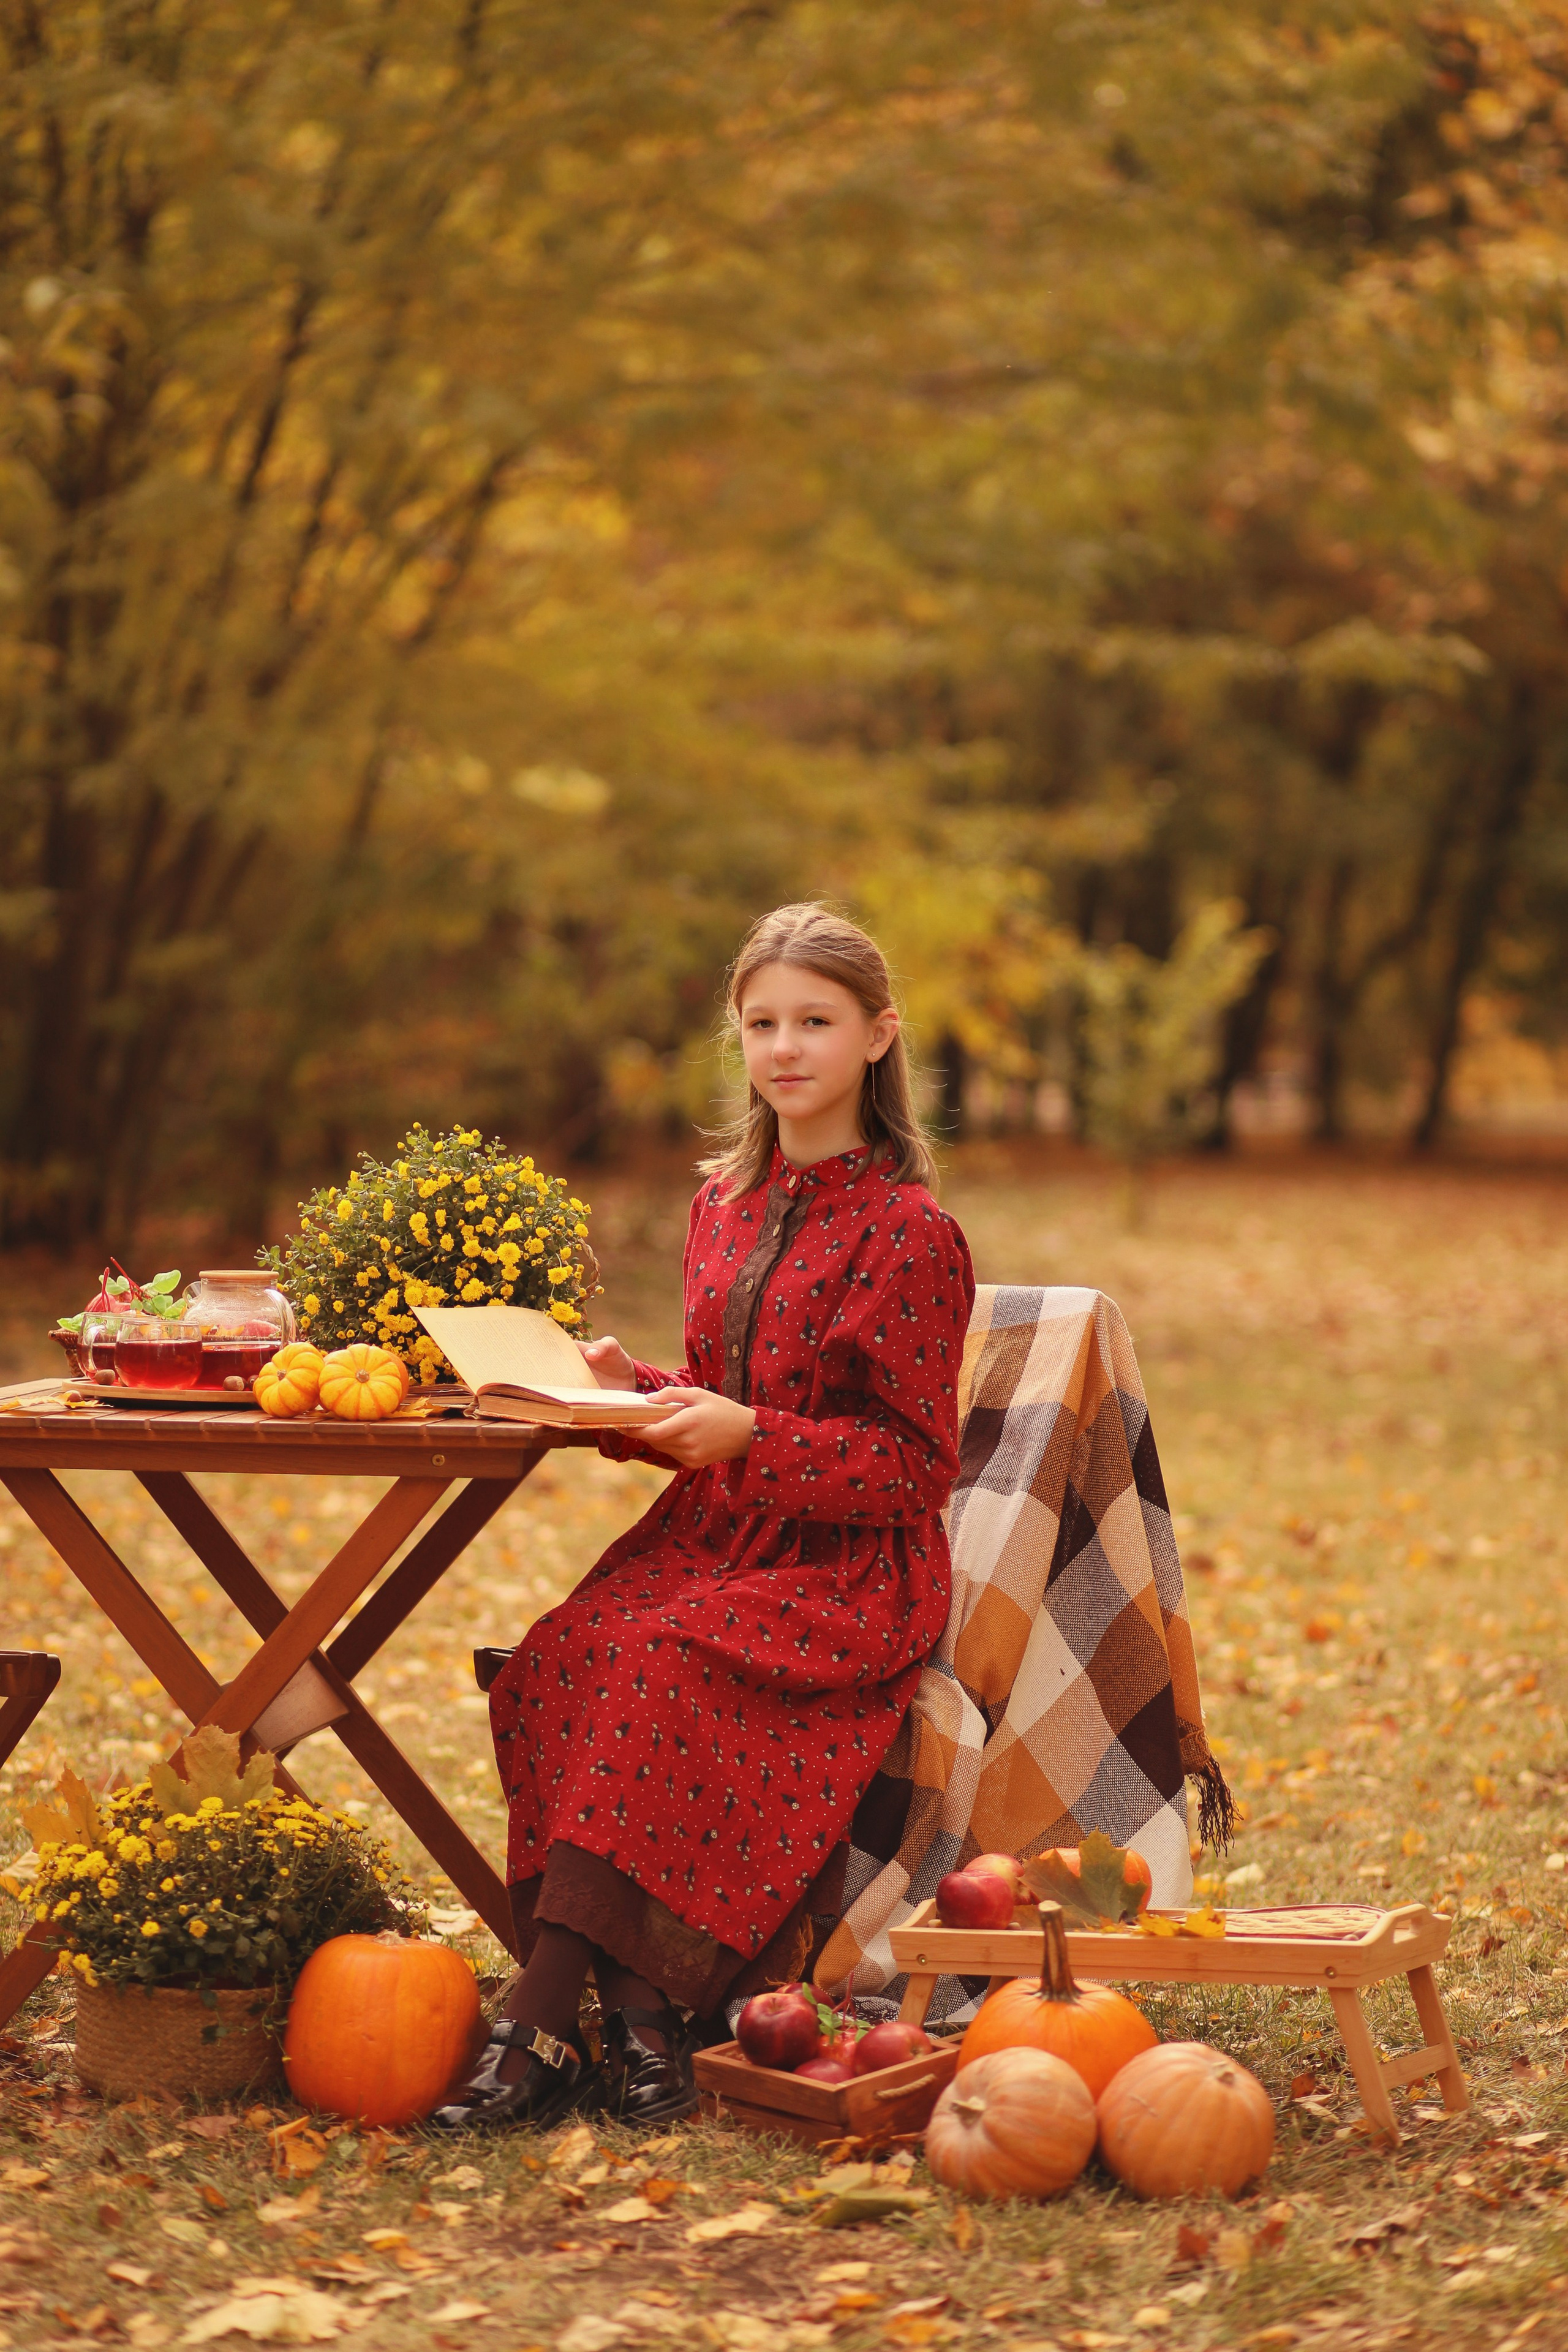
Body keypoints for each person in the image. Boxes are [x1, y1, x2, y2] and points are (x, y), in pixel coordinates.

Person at [434, 903, 975, 2132]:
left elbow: (913, 1470)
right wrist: (629, 1392)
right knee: (567, 1650)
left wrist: (751, 1438)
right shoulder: (719, 1205)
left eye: (815, 1022)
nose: (785, 1048)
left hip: (850, 1571)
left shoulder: (911, 1233)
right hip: (714, 1535)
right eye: (761, 1024)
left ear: (878, 1036)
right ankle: (636, 2025)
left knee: (659, 1659)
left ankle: (534, 2024)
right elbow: (721, 1397)